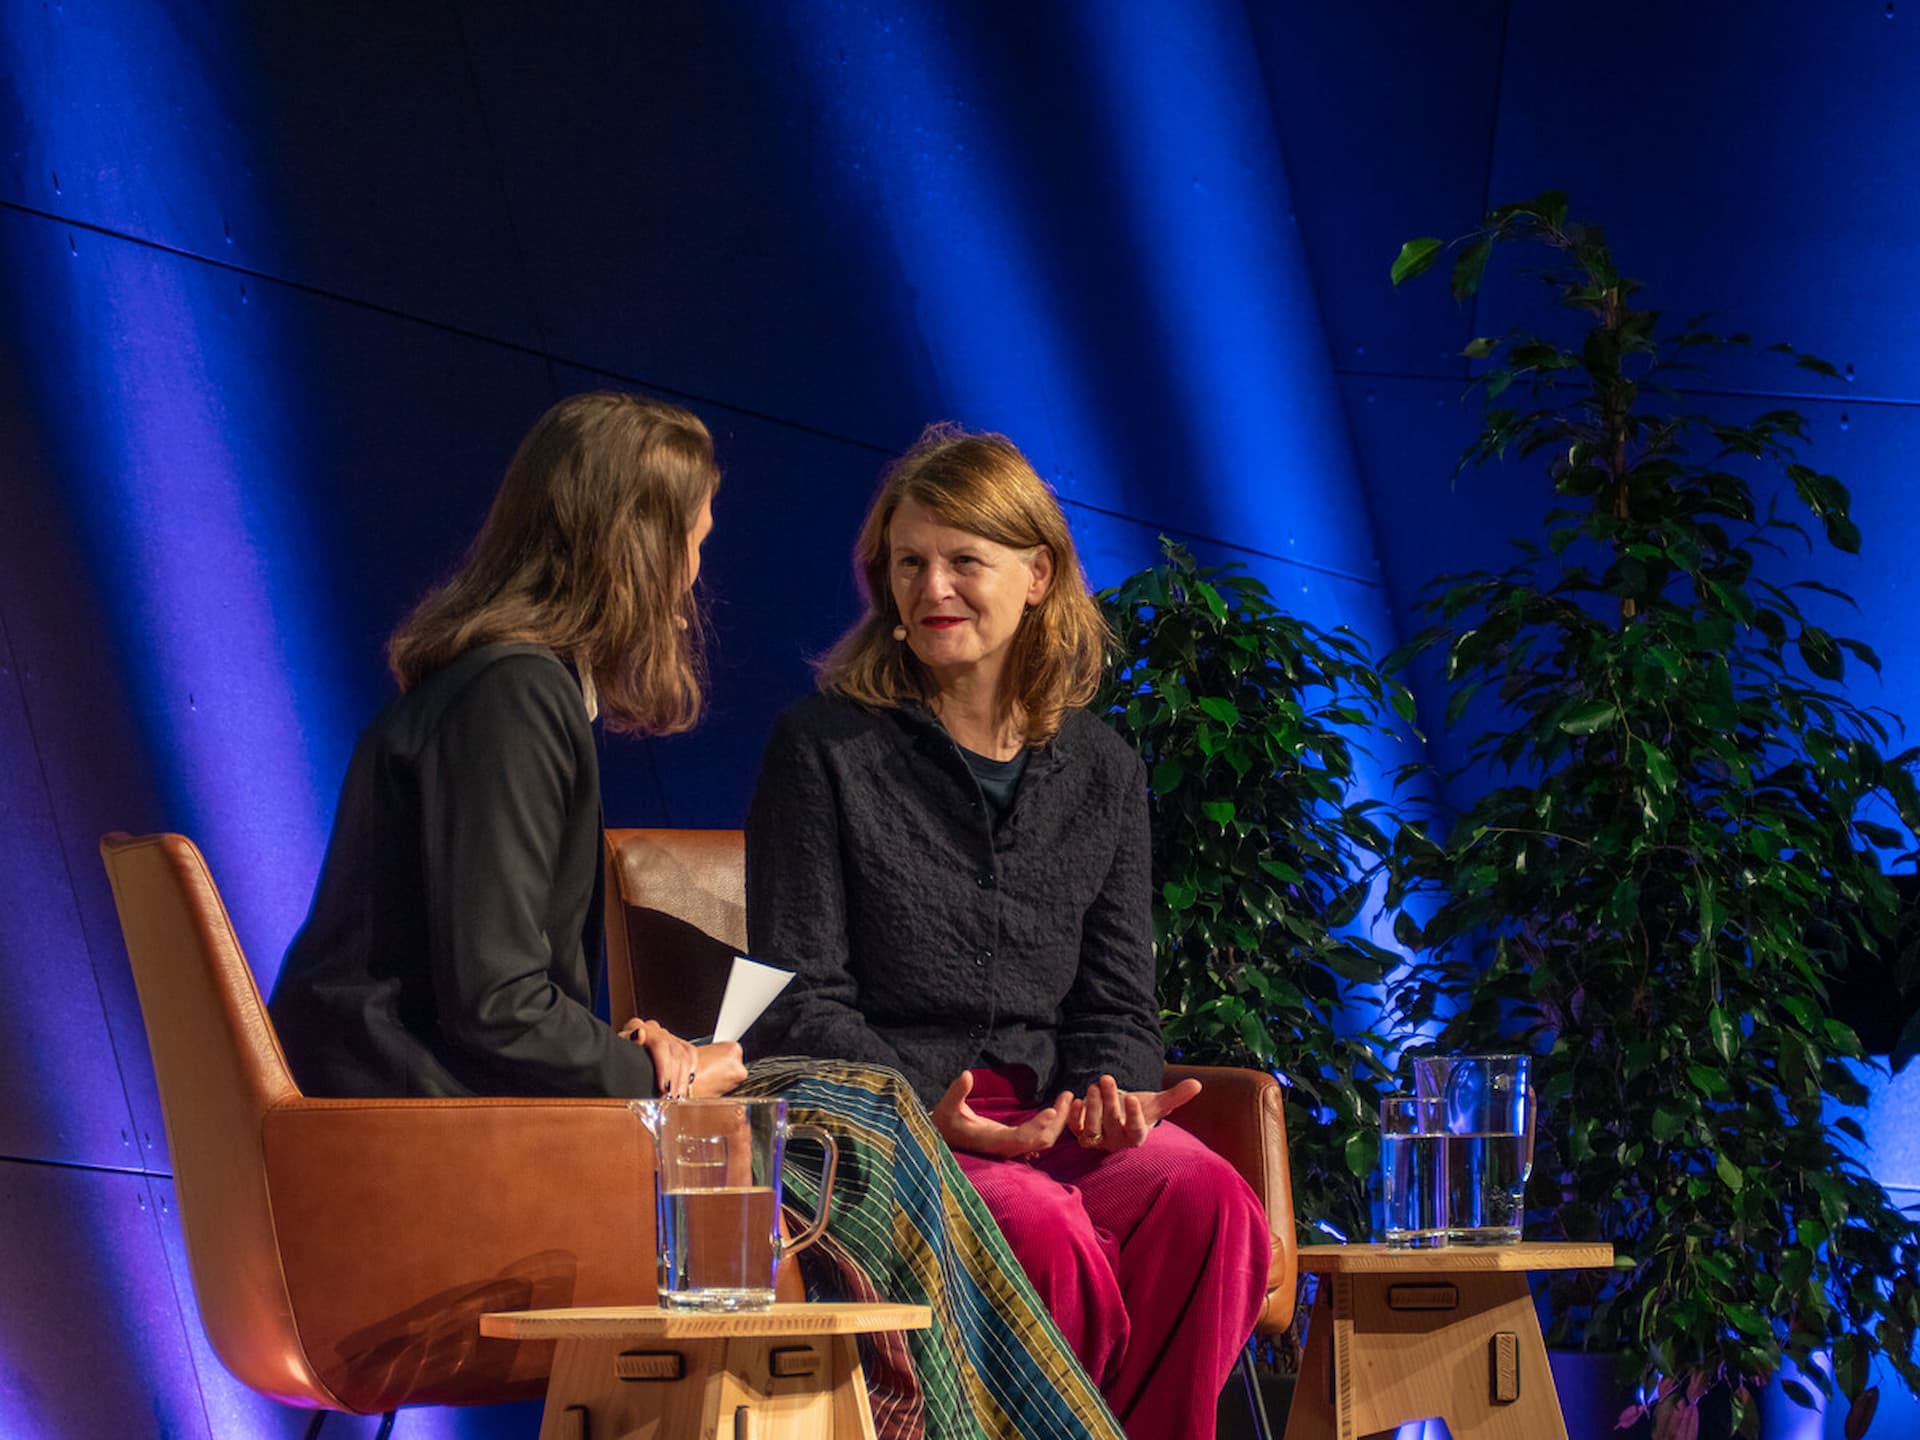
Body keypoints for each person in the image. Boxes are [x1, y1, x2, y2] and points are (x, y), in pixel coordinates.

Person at [269, 392, 1123, 1440]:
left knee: (860, 1127)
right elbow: (495, 1002)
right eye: (689, 543)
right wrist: (663, 1073)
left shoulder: (501, 689)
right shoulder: (514, 697)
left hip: (444, 1112)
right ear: (632, 546)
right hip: (423, 1148)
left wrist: (636, 1050)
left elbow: (485, 986)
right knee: (860, 1130)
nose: (691, 579)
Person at [746, 424, 1271, 1440]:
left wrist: (1109, 1095)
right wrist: (926, 1109)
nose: (932, 586)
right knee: (1040, 1231)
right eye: (909, 563)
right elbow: (796, 998)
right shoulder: (823, 748)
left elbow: (1116, 1001)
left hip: (1049, 1116)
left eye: (962, 561)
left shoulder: (1104, 769)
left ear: (1038, 576)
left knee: (1207, 1201)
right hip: (885, 1121)